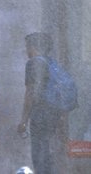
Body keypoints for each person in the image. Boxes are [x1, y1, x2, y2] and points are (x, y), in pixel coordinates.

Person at [17, 32, 67, 174]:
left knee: (39, 152)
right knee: (48, 151)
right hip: (54, 113)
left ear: (33, 47)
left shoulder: (33, 63)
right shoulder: (52, 63)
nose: (26, 50)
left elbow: (30, 93)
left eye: (27, 46)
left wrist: (23, 120)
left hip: (40, 114)